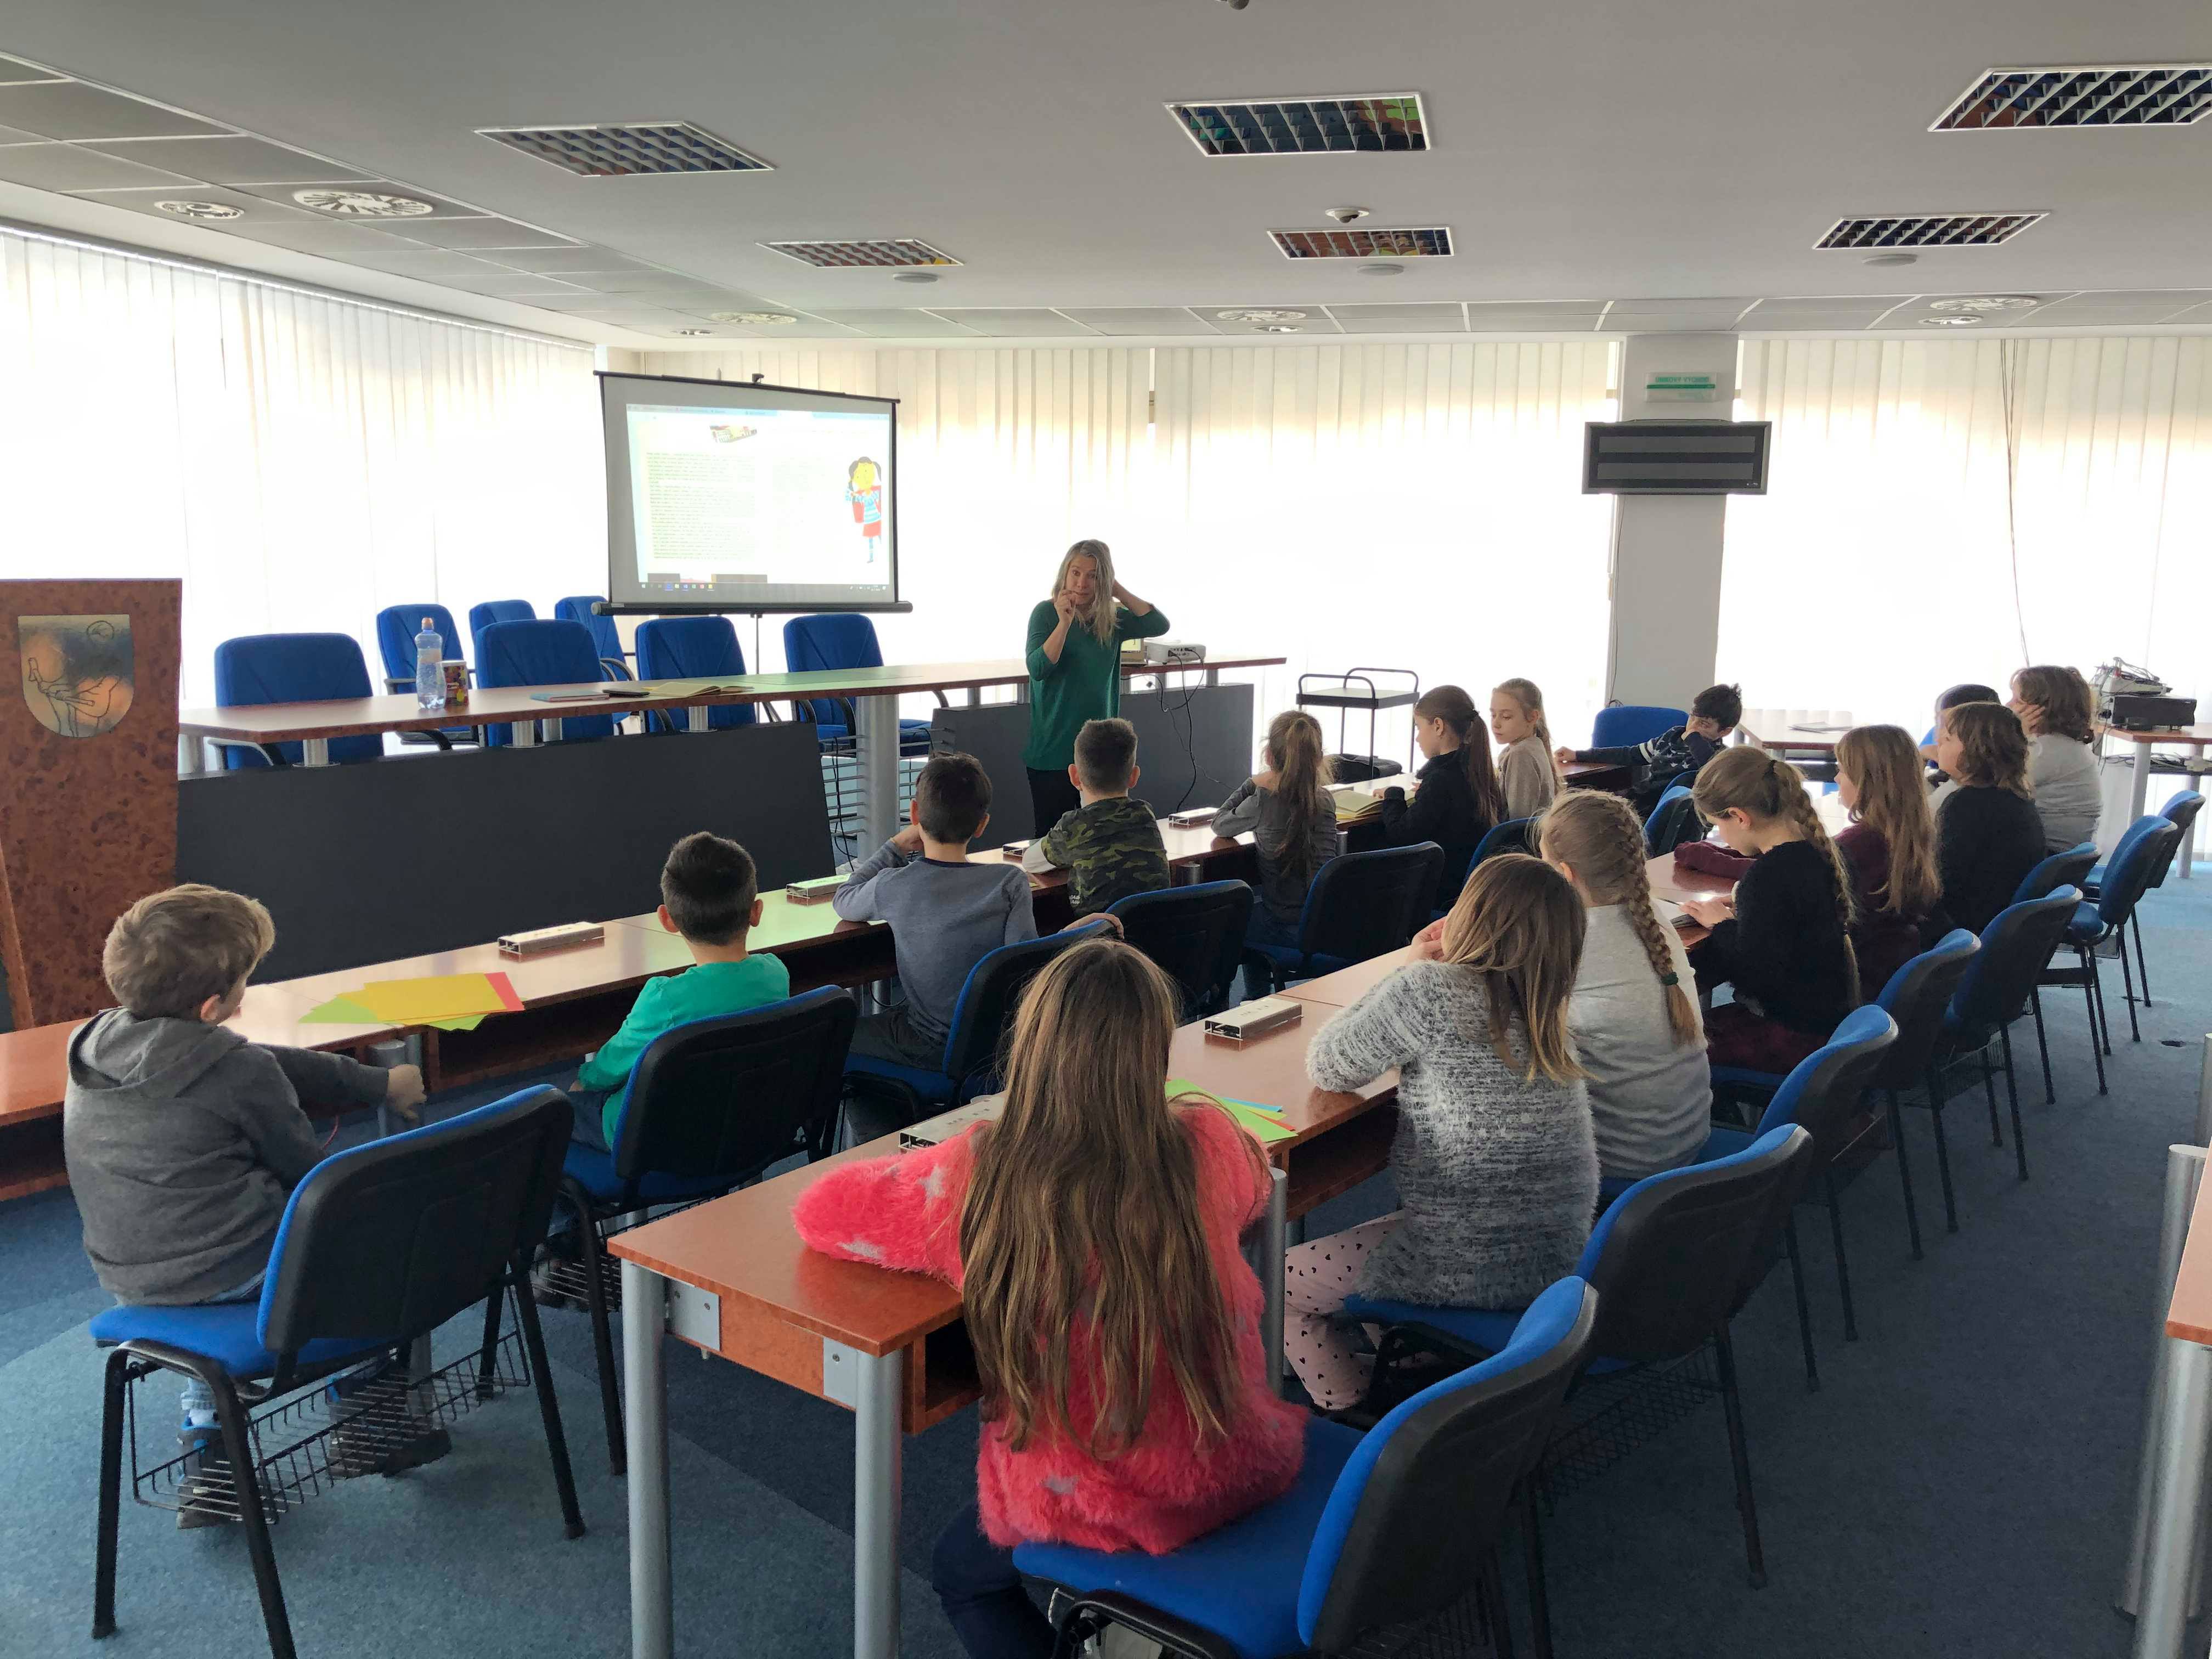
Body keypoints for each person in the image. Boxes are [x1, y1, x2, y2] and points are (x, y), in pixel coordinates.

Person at [792, 940, 1307, 1658]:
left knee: (961, 1577)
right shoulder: (1211, 1139)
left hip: (1099, 1500)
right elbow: (1252, 1191)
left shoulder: (981, 1173)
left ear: (1031, 1048)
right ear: (1155, 1054)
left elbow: (819, 1213)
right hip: (1241, 1459)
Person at [63, 884, 428, 1521]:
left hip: (132, 1280)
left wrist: (371, 1082)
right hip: (238, 1271)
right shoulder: (236, 1070)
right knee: (374, 1237)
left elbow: (256, 1059)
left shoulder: (94, 1044)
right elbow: (311, 1176)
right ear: (213, 1007)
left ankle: (210, 1449)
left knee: (203, 1288)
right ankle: (369, 1415)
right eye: (246, 981)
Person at [1287, 855, 1597, 1410]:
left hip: (1462, 1261)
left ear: (1470, 916)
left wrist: (1408, 969)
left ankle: (1352, 1410)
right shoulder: (1549, 1013)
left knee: (1278, 1284)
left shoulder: (1430, 990)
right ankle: (1415, 1366)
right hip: (1551, 1259)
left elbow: (1329, 1064)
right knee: (1377, 1237)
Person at [570, 832, 789, 1152]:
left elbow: (609, 1068)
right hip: (742, 1124)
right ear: (756, 912)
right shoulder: (776, 974)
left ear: (667, 920)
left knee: (553, 1110)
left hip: (654, 1135)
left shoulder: (664, 998)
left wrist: (582, 1081)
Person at [837, 754, 1037, 1095]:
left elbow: (844, 898)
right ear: (982, 825)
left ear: (915, 814)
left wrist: (895, 845)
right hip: (998, 1048)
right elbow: (1025, 964)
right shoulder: (1010, 883)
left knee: (834, 1036)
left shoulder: (895, 884)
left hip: (925, 1044)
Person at [1538, 792, 1711, 1186]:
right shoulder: (1656, 921)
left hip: (1626, 1164)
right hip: (1688, 1140)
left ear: (1564, 874)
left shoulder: (1571, 948)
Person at [1683, 748, 1858, 1073]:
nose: (1722, 836)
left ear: (1739, 817)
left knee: (1676, 1046)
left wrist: (1723, 925)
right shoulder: (1819, 852)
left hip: (1790, 1033)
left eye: (1717, 825)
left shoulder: (1766, 877)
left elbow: (1756, 977)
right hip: (1824, 1019)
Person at [1022, 539, 1169, 836]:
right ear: (1065, 573)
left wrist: (1117, 589)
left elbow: (1158, 623)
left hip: (1101, 753)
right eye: (1076, 573)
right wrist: (1064, 624)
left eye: (1093, 575)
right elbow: (1038, 669)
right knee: (1052, 841)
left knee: (1102, 837)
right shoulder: (1045, 614)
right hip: (1054, 751)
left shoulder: (1113, 618)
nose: (1082, 583)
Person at [1215, 710, 1339, 979]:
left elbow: (1220, 823)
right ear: (1318, 758)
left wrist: (1251, 783)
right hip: (1325, 923)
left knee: (1227, 921)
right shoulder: (1325, 800)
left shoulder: (1262, 801)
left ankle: (1250, 997)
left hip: (1282, 924)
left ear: (1269, 757)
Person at [1833, 725, 1948, 996]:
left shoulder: (1856, 846)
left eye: (1842, 770)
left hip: (1852, 985)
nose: (1837, 778)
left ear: (1867, 781)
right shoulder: (1915, 834)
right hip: (1888, 974)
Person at [1374, 684, 1504, 913]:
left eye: (1419, 727)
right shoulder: (1478, 771)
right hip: (1467, 892)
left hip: (1439, 895)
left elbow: (1401, 835)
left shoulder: (1440, 780)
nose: (1417, 738)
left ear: (1438, 726)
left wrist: (1393, 795)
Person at [1020, 716, 1169, 915]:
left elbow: (1030, 862)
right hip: (1154, 930)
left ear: (1074, 776)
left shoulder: (1074, 826)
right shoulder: (1145, 813)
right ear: (1134, 776)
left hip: (1098, 934)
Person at [1932, 701, 2046, 934]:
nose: (1939, 743)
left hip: (1966, 930)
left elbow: (1944, 882)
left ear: (1978, 750)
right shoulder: (2016, 797)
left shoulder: (1967, 805)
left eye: (1948, 739)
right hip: (1997, 922)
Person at [1559, 682, 1744, 816]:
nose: (1693, 726)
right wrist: (1578, 755)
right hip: (1640, 802)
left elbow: (1711, 771)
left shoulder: (1720, 759)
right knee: (1578, 805)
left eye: (1704, 724)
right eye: (1692, 717)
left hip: (1667, 816)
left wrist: (1694, 739)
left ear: (1725, 731)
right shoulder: (1672, 736)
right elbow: (1630, 754)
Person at [2010, 664, 2104, 851]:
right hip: (2054, 852)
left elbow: (1982, 782)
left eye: (2018, 700)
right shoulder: (2061, 745)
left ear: (2043, 710)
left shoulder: (2047, 749)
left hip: (2047, 854)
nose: (2008, 706)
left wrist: (2013, 732)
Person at [1491, 678, 1564, 821]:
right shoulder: (1530, 746)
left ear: (1532, 717)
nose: (1496, 723)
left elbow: (1518, 821)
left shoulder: (1521, 755)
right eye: (1493, 715)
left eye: (1506, 717)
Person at [1921, 682, 2002, 772]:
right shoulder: (1933, 736)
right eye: (1939, 722)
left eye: (1949, 723)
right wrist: (1923, 756)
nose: (1939, 737)